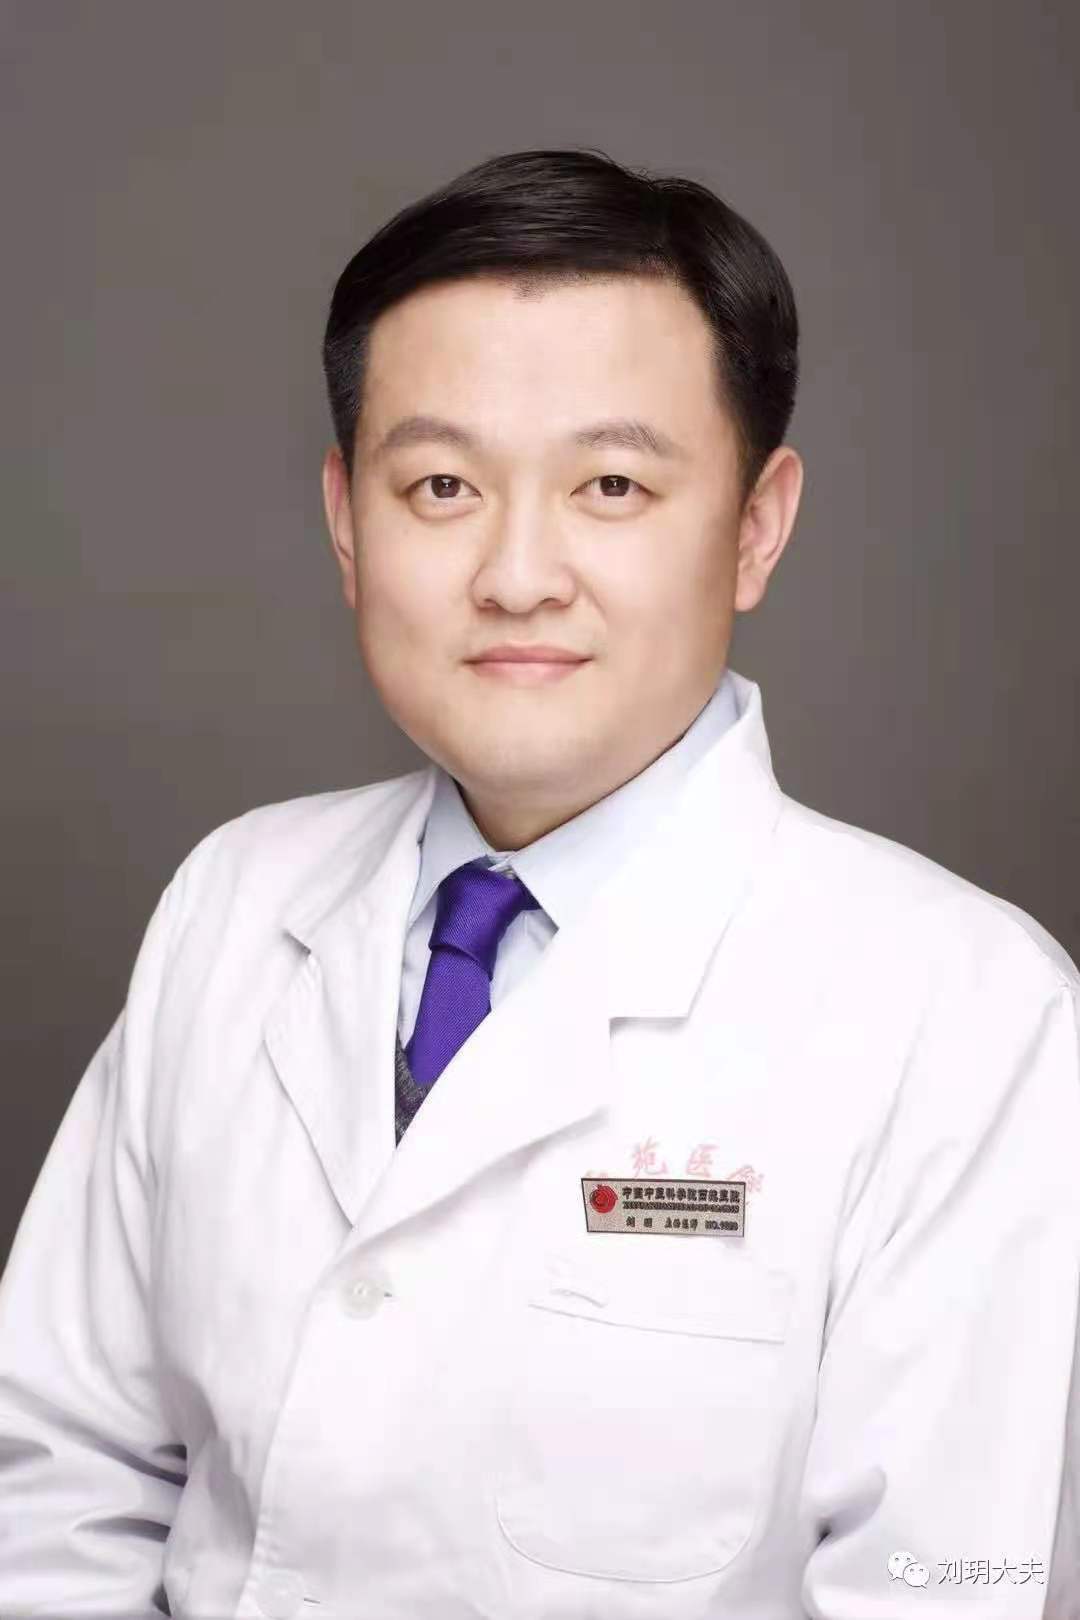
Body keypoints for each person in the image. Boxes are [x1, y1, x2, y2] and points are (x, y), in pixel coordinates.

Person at [1, 145, 1078, 1620]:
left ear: (756, 525)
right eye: (441, 484)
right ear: (346, 521)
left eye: (611, 485)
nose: (517, 574)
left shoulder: (970, 1016)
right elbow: (53, 1483)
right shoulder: (232, 904)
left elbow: (952, 1587)